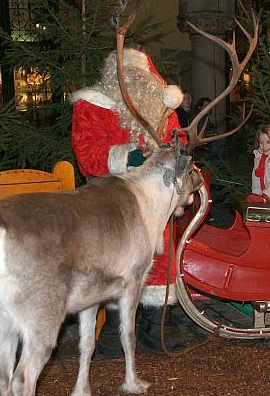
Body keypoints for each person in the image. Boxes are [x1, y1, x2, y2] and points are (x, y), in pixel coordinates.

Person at [70, 47, 195, 355]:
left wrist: (172, 156)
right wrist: (128, 157)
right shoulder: (93, 105)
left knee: (161, 257)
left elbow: (179, 143)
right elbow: (87, 156)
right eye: (128, 76)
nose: (136, 81)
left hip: (156, 200)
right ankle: (116, 330)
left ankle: (157, 325)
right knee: (118, 261)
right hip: (114, 199)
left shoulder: (163, 108)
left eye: (141, 75)